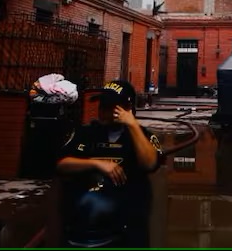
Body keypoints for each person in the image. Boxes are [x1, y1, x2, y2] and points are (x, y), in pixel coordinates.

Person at [56, 79, 163, 247]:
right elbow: (62, 164)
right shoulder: (86, 132)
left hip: (126, 226)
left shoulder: (141, 136)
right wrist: (97, 164)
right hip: (84, 224)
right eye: (101, 105)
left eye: (109, 106)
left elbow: (150, 164)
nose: (102, 111)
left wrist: (133, 125)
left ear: (126, 108)